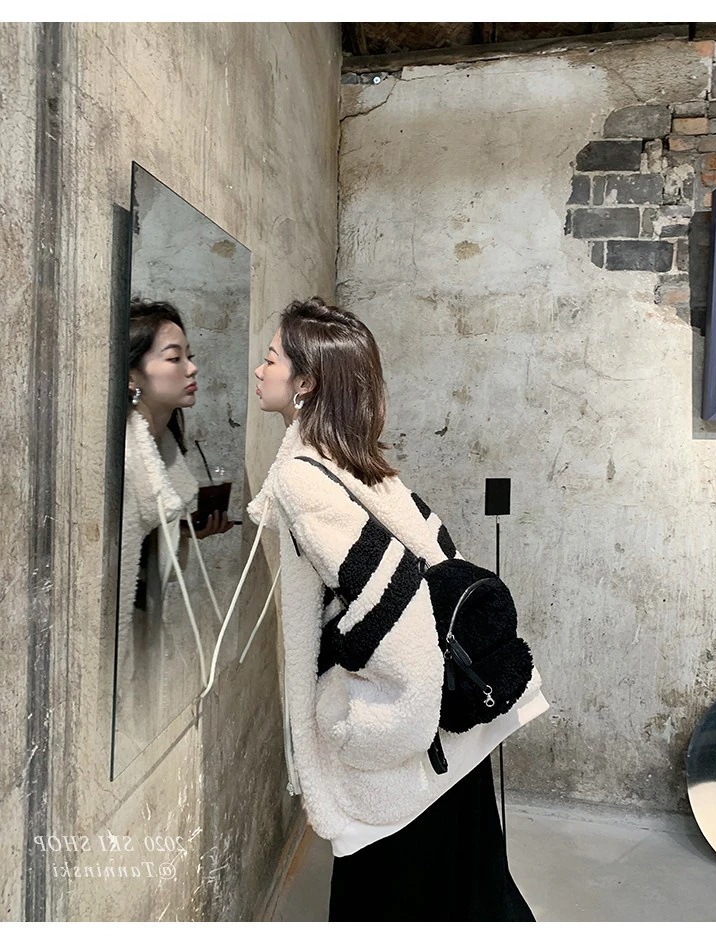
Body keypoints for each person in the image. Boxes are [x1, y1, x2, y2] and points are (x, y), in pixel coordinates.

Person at [245, 296, 548, 921]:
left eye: (271, 358)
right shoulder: (360, 460)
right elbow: (439, 558)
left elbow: (399, 611)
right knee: (472, 896)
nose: (259, 369)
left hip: (407, 753)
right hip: (448, 744)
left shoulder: (303, 478)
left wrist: (371, 733)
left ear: (305, 382)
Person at [117, 301, 233, 754]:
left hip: (146, 622)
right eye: (174, 357)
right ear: (132, 375)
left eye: (189, 355)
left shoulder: (161, 443)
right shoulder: (124, 456)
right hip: (115, 635)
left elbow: (146, 538)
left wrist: (184, 533)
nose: (191, 367)